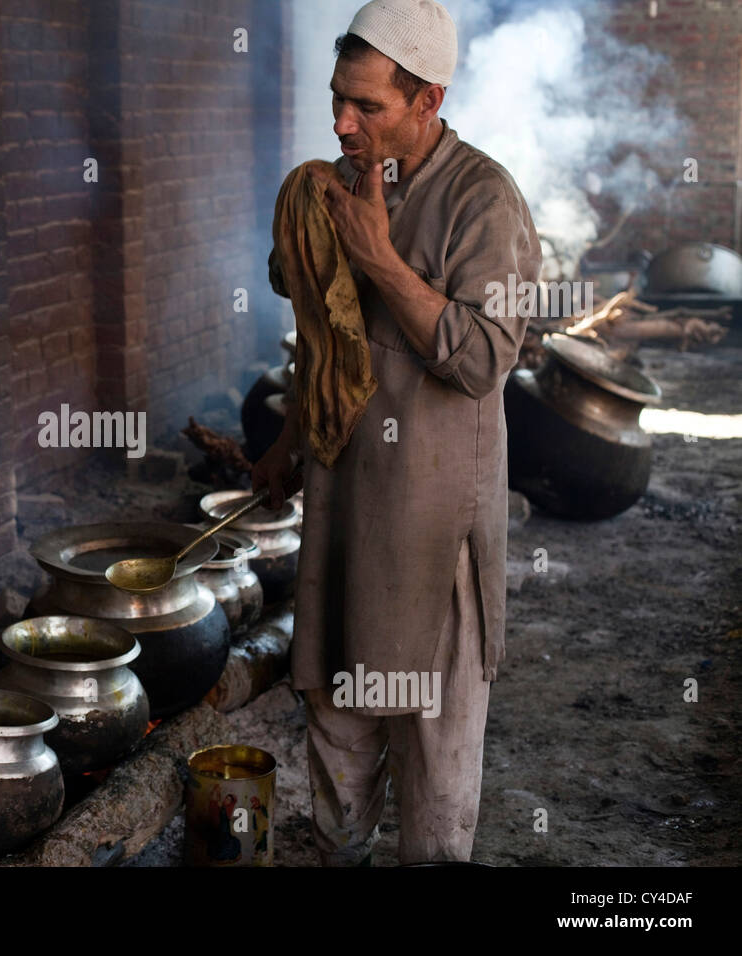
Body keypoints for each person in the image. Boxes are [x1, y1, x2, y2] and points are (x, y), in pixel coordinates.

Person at [254, 0, 542, 865]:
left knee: (435, 770)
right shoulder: (335, 183)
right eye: (337, 99)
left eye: (366, 107)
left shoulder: (486, 200)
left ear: (428, 100)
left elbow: (485, 358)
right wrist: (288, 444)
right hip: (343, 512)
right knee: (338, 746)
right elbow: (326, 332)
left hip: (432, 526)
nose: (342, 122)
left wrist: (378, 257)